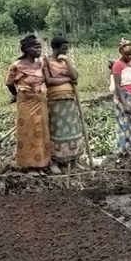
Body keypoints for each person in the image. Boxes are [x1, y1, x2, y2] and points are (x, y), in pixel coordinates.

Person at [6, 35, 50, 176]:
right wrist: (17, 95)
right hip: (26, 102)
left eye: (39, 47)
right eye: (35, 47)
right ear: (26, 49)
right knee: (28, 132)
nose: (39, 50)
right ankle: (29, 165)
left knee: (41, 131)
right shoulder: (16, 66)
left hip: (40, 101)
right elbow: (9, 83)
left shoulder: (41, 63)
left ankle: (41, 164)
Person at [43, 36, 82, 173]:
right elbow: (49, 81)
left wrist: (67, 60)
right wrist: (67, 80)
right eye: (64, 48)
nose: (66, 50)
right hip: (55, 101)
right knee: (56, 131)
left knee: (72, 130)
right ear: (56, 48)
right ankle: (55, 162)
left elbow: (75, 76)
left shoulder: (65, 61)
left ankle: (73, 161)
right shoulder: (46, 61)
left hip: (69, 100)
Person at [110, 39, 131, 156]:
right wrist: (124, 104)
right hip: (123, 97)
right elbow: (118, 86)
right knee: (124, 125)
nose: (129, 56)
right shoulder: (118, 65)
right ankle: (123, 151)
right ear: (121, 53)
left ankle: (130, 149)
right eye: (126, 54)